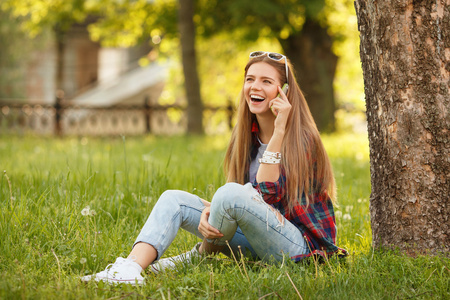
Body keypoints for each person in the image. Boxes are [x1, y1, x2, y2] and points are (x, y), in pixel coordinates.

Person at [81, 51, 347, 285]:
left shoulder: (302, 138)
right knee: (174, 199)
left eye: (267, 81)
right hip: (257, 240)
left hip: (299, 249)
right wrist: (212, 214)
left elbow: (263, 195)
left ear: (284, 92)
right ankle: (130, 268)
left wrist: (279, 130)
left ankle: (200, 254)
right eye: (250, 79)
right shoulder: (246, 138)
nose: (255, 87)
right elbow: (243, 203)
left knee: (230, 194)